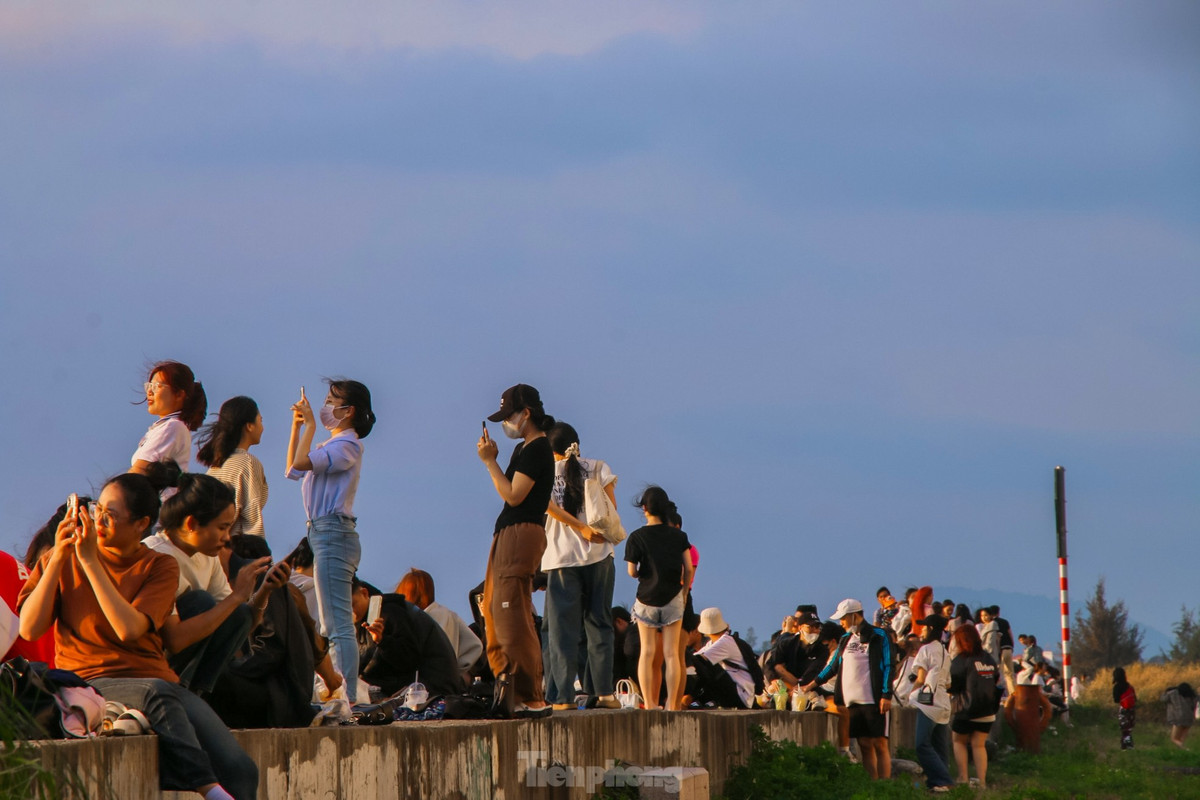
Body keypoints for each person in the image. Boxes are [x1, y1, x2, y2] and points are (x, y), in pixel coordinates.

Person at [17, 473, 258, 799]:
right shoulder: (63, 559)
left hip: (153, 679)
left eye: (111, 515)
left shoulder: (159, 566)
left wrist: (90, 562)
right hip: (88, 681)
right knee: (157, 693)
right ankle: (208, 789)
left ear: (141, 524)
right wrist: (60, 556)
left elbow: (128, 629)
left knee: (241, 770)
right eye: (98, 510)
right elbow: (30, 628)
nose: (99, 521)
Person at [144, 474, 284, 696]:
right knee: (201, 601)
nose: (227, 538)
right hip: (149, 667)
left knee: (239, 612)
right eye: (222, 528)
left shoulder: (206, 555)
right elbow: (175, 641)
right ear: (191, 524)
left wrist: (264, 590)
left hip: (183, 665)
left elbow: (236, 622)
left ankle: (198, 692)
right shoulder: (158, 555)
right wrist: (236, 596)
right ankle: (178, 690)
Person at [287, 378, 376, 705]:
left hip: (333, 533)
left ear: (348, 410)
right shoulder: (331, 445)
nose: (325, 407)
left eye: (330, 401)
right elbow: (293, 469)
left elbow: (300, 463)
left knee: (337, 625)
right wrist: (298, 428)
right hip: (323, 533)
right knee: (330, 623)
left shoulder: (348, 446)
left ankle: (346, 697)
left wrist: (310, 425)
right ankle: (338, 693)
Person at [476, 384, 556, 718]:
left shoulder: (537, 448)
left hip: (521, 531)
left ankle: (530, 696)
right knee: (496, 608)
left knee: (512, 612)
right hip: (511, 531)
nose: (506, 423)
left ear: (526, 413)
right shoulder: (525, 448)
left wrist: (489, 462)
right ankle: (510, 691)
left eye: (509, 416)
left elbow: (513, 495)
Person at [540, 422, 621, 711]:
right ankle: (604, 694)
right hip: (600, 555)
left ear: (551, 450)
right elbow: (611, 509)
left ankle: (563, 697)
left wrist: (577, 527)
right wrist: (588, 528)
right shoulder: (599, 467)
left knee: (562, 631)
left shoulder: (545, 472)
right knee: (600, 624)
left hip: (561, 558)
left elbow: (547, 507)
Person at [801, 599, 894, 780]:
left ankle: (886, 786)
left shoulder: (879, 635)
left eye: (843, 618)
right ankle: (873, 785)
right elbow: (832, 667)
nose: (841, 622)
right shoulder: (845, 639)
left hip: (874, 698)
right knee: (864, 744)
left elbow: (889, 665)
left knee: (879, 743)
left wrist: (886, 694)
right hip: (852, 701)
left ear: (854, 616)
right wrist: (811, 685)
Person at [624, 486, 693, 711]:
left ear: (644, 508)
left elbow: (631, 571)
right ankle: (672, 704)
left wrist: (641, 573)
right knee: (672, 654)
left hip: (646, 599)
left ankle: (650, 703)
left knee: (647, 652)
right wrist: (684, 592)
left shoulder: (636, 537)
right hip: (673, 597)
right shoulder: (679, 536)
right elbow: (688, 568)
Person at [353, 577, 466, 700]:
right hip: (412, 689)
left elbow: (408, 659)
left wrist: (383, 641)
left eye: (353, 605)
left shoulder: (390, 611)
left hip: (428, 691)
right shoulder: (361, 621)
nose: (351, 613)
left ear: (364, 593)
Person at [198, 396, 269, 537]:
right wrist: (258, 549)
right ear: (249, 426)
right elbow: (252, 519)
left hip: (211, 544)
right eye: (260, 420)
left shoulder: (216, 466)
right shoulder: (247, 462)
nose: (263, 427)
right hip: (234, 546)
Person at [394, 568, 483, 680]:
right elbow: (475, 645)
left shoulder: (416, 620)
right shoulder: (450, 615)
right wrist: (456, 670)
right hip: (446, 681)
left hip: (421, 683)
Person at [131, 361, 206, 477]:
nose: (149, 392)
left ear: (179, 395)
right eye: (149, 386)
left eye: (157, 386)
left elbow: (138, 472)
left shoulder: (172, 427)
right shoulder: (166, 427)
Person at [948, 624, 1000, 789]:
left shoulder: (961, 660)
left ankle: (963, 777)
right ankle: (982, 782)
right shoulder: (988, 658)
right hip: (988, 711)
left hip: (966, 710)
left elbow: (952, 684)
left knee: (959, 741)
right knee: (979, 745)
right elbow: (996, 678)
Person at [908, 614, 954, 793]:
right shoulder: (945, 652)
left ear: (931, 629)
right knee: (939, 746)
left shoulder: (925, 649)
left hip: (929, 703)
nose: (922, 630)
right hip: (943, 702)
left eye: (924, 627)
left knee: (922, 744)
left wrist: (909, 695)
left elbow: (921, 679)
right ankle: (940, 784)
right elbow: (948, 683)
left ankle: (943, 780)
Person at [690, 608, 755, 708]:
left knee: (705, 665)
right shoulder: (713, 643)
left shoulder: (725, 642)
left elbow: (699, 659)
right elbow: (698, 655)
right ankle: (704, 700)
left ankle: (700, 699)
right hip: (735, 689)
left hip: (742, 695)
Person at [1162, 682, 1196, 748]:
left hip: (1178, 718)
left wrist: (1166, 692)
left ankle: (1186, 750)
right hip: (1190, 718)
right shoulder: (1192, 695)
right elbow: (1193, 706)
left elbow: (1163, 699)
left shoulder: (1173, 693)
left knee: (1174, 739)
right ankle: (1181, 751)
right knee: (1181, 739)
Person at [1112, 667, 1137, 750]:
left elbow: (1116, 700)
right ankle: (1127, 745)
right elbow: (1135, 698)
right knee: (1128, 728)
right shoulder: (1129, 685)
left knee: (1124, 728)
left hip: (1124, 709)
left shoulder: (1116, 687)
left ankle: (1127, 745)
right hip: (1132, 709)